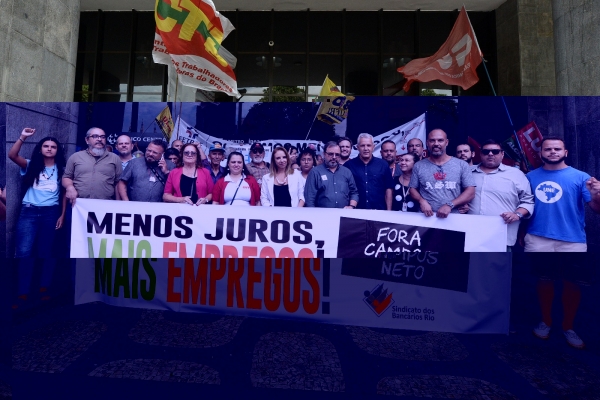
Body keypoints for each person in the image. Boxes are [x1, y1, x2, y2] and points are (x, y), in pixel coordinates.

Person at [523, 137, 600, 349]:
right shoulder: (529, 177)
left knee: (572, 285)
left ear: (565, 152)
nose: (553, 152)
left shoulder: (581, 177)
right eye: (548, 149)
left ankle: (568, 327)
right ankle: (546, 321)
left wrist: (597, 195)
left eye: (557, 149)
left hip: (572, 239)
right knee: (544, 282)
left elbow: (596, 209)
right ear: (541, 153)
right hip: (538, 237)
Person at [8, 128, 67, 308]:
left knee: (46, 252)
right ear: (40, 148)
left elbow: (64, 193)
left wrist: (62, 215)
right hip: (29, 212)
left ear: (58, 150)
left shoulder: (62, 169)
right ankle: (22, 291)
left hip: (50, 213)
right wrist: (23, 137)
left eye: (53, 146)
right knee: (24, 252)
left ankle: (43, 288)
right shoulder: (30, 164)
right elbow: (12, 155)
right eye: (46, 146)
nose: (49, 149)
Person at [468, 140, 534, 249]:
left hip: (502, 236)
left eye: (495, 151)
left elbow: (528, 201)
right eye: (486, 151)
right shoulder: (468, 172)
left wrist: (517, 214)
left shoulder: (516, 174)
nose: (490, 154)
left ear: (502, 154)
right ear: (480, 154)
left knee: (500, 265)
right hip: (471, 236)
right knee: (471, 265)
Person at [409, 129, 475, 218]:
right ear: (427, 143)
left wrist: (450, 205)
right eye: (432, 140)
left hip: (454, 217)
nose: (436, 143)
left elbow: (470, 191)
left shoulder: (461, 164)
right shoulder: (418, 165)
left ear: (446, 142)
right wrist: (421, 201)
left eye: (440, 140)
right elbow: (412, 189)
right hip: (426, 218)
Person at [62, 127, 122, 206]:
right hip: (78, 205)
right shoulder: (75, 157)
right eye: (95, 136)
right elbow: (66, 177)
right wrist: (69, 187)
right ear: (87, 140)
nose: (99, 139)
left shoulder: (115, 158)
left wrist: (118, 204)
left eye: (102, 137)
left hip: (105, 205)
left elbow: (118, 183)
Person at [344, 133, 394, 210]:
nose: (366, 148)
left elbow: (388, 189)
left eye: (368, 145)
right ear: (357, 147)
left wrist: (389, 211)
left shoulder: (383, 164)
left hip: (379, 211)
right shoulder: (348, 165)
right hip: (355, 211)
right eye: (362, 145)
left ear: (373, 147)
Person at [304, 141, 359, 209]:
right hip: (321, 216)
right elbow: (309, 199)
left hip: (343, 216)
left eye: (337, 154)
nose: (334, 157)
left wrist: (351, 206)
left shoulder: (347, 172)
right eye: (330, 154)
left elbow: (354, 193)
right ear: (324, 154)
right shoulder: (315, 172)